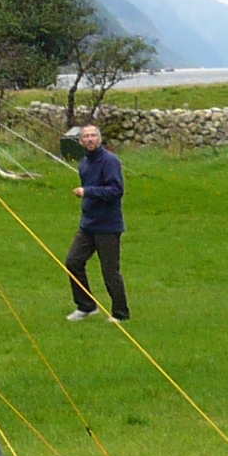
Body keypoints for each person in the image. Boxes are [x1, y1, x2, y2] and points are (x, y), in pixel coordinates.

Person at [64, 123, 129, 322]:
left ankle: (121, 313)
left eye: (93, 135)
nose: (90, 139)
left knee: (110, 271)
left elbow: (116, 190)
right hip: (88, 225)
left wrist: (88, 192)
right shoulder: (84, 163)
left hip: (108, 226)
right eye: (86, 136)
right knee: (73, 262)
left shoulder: (110, 161)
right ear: (80, 141)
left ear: (99, 139)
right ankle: (86, 306)